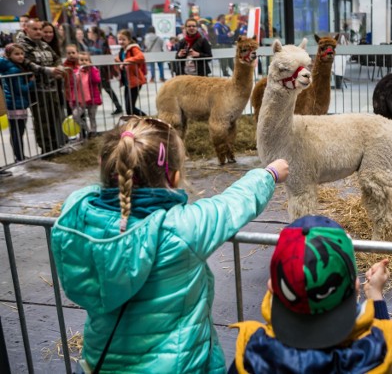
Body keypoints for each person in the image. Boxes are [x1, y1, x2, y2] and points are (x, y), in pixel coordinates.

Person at [50, 116, 289, 373]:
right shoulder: (181, 229)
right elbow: (232, 204)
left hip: (103, 361)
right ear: (174, 177)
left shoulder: (76, 218)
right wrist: (269, 174)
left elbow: (86, 194)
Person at [228, 215, 392, 374]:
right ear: (356, 286)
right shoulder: (376, 353)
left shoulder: (251, 356)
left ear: (271, 286)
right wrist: (375, 294)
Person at [18, 19, 66, 154]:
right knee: (42, 120)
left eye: (40, 29)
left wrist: (59, 68)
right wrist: (49, 70)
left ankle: (55, 146)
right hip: (37, 90)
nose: (39, 32)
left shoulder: (44, 45)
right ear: (26, 29)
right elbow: (28, 63)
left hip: (52, 88)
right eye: (35, 29)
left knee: (54, 118)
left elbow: (56, 57)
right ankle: (46, 149)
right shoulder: (22, 46)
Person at [0, 44, 39, 164]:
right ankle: (20, 156)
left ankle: (19, 155)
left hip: (15, 103)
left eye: (22, 53)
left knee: (16, 131)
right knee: (18, 131)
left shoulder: (11, 67)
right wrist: (32, 83)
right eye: (16, 54)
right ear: (8, 55)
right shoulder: (14, 69)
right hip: (16, 104)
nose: (21, 56)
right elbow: (20, 89)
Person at [87, 26, 123, 115]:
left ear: (94, 33)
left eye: (90, 32)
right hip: (96, 70)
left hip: (101, 70)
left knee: (105, 89)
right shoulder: (93, 42)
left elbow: (102, 54)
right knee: (103, 90)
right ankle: (117, 107)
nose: (88, 34)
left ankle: (118, 107)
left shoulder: (101, 42)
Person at [114, 29, 147, 116]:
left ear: (128, 39)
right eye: (119, 39)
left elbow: (141, 57)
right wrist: (119, 61)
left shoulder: (133, 48)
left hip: (135, 81)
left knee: (130, 108)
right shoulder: (122, 50)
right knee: (129, 109)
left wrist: (126, 61)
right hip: (127, 82)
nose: (121, 42)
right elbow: (120, 59)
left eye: (123, 39)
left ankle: (148, 120)